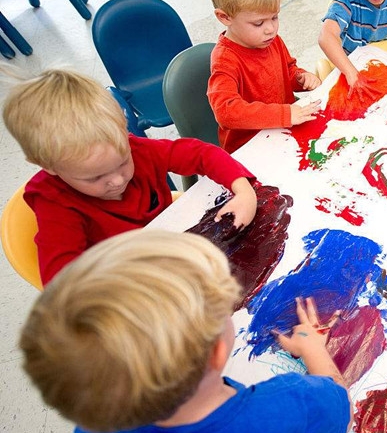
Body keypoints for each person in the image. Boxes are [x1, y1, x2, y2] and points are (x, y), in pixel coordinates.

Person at [19, 229, 351, 433]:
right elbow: (340, 406)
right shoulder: (288, 406)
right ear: (218, 352)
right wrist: (314, 350)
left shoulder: (94, 428)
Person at [1, 68, 258, 285]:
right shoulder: (55, 204)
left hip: (180, 245)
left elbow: (200, 154)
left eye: (123, 162)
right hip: (127, 278)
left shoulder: (137, 149)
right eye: (95, 178)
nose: (117, 180)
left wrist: (243, 190)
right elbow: (63, 282)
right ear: (49, 167)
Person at [206, 0, 322, 153]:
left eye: (275, 17)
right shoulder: (225, 59)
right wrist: (283, 115)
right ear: (225, 17)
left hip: (281, 133)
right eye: (258, 23)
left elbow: (287, 72)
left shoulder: (271, 40)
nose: (270, 29)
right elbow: (225, 111)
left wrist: (300, 78)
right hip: (249, 148)